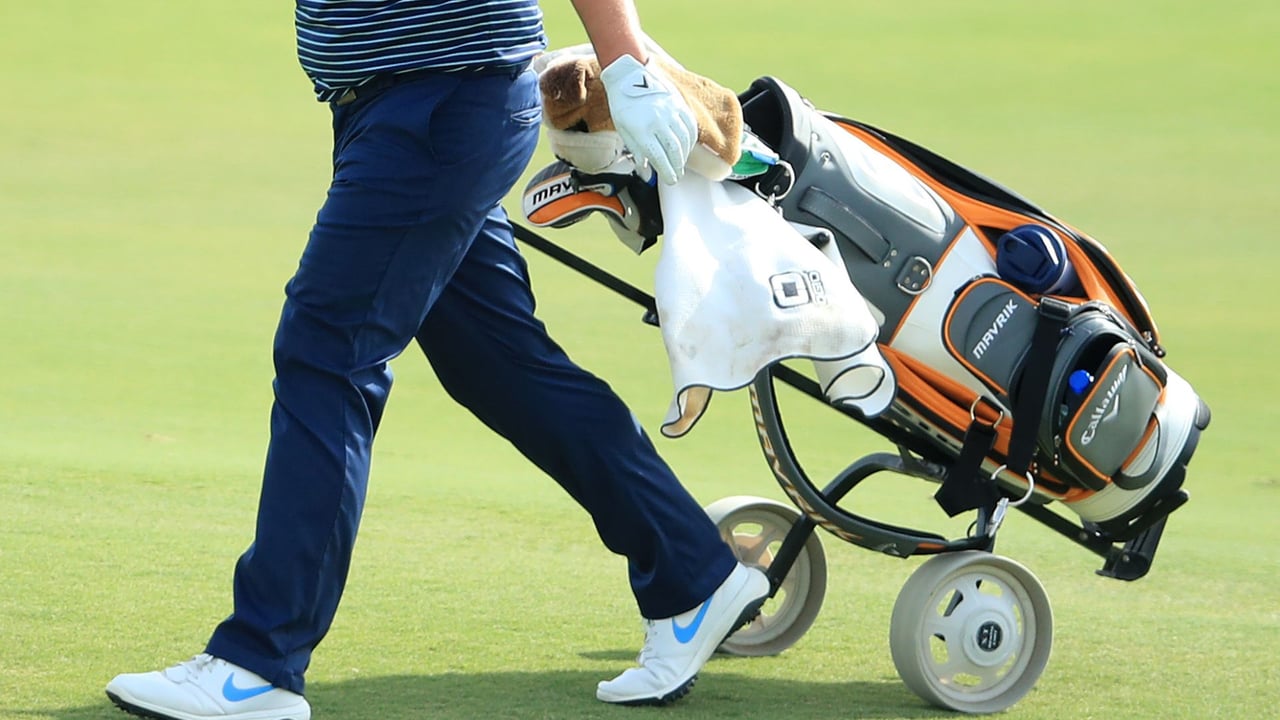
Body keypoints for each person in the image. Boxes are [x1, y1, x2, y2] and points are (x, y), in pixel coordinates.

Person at [104, 1, 769, 719]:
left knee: (328, 356)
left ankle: (257, 664)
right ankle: (692, 573)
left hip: (441, 104)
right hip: (413, 108)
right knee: (498, 364)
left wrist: (627, 65)